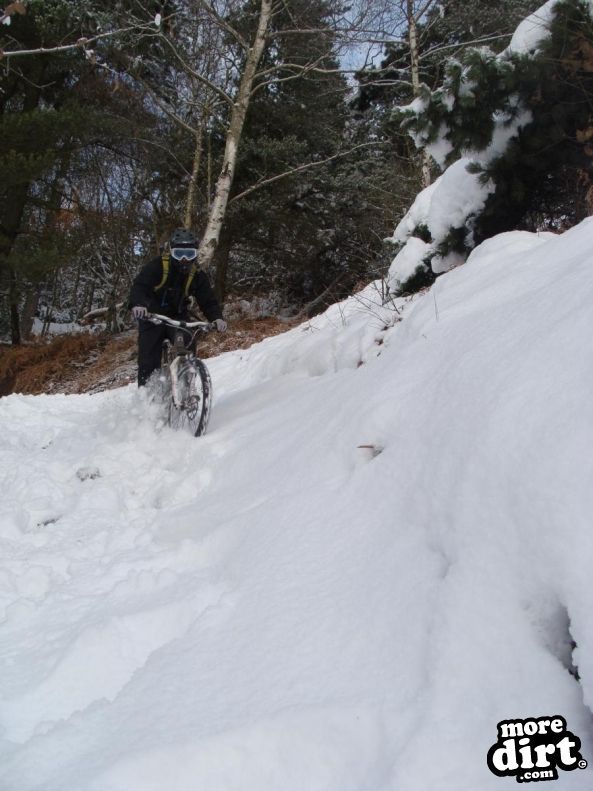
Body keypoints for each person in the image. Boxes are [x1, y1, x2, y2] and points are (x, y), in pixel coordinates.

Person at [129, 228, 227, 386]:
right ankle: (147, 393)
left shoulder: (196, 275)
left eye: (189, 254)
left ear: (195, 254)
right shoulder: (157, 267)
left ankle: (186, 385)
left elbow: (208, 300)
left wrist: (216, 318)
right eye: (179, 253)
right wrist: (138, 304)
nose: (184, 259)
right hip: (153, 317)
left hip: (177, 316)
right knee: (148, 357)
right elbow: (140, 286)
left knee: (187, 342)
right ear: (171, 252)